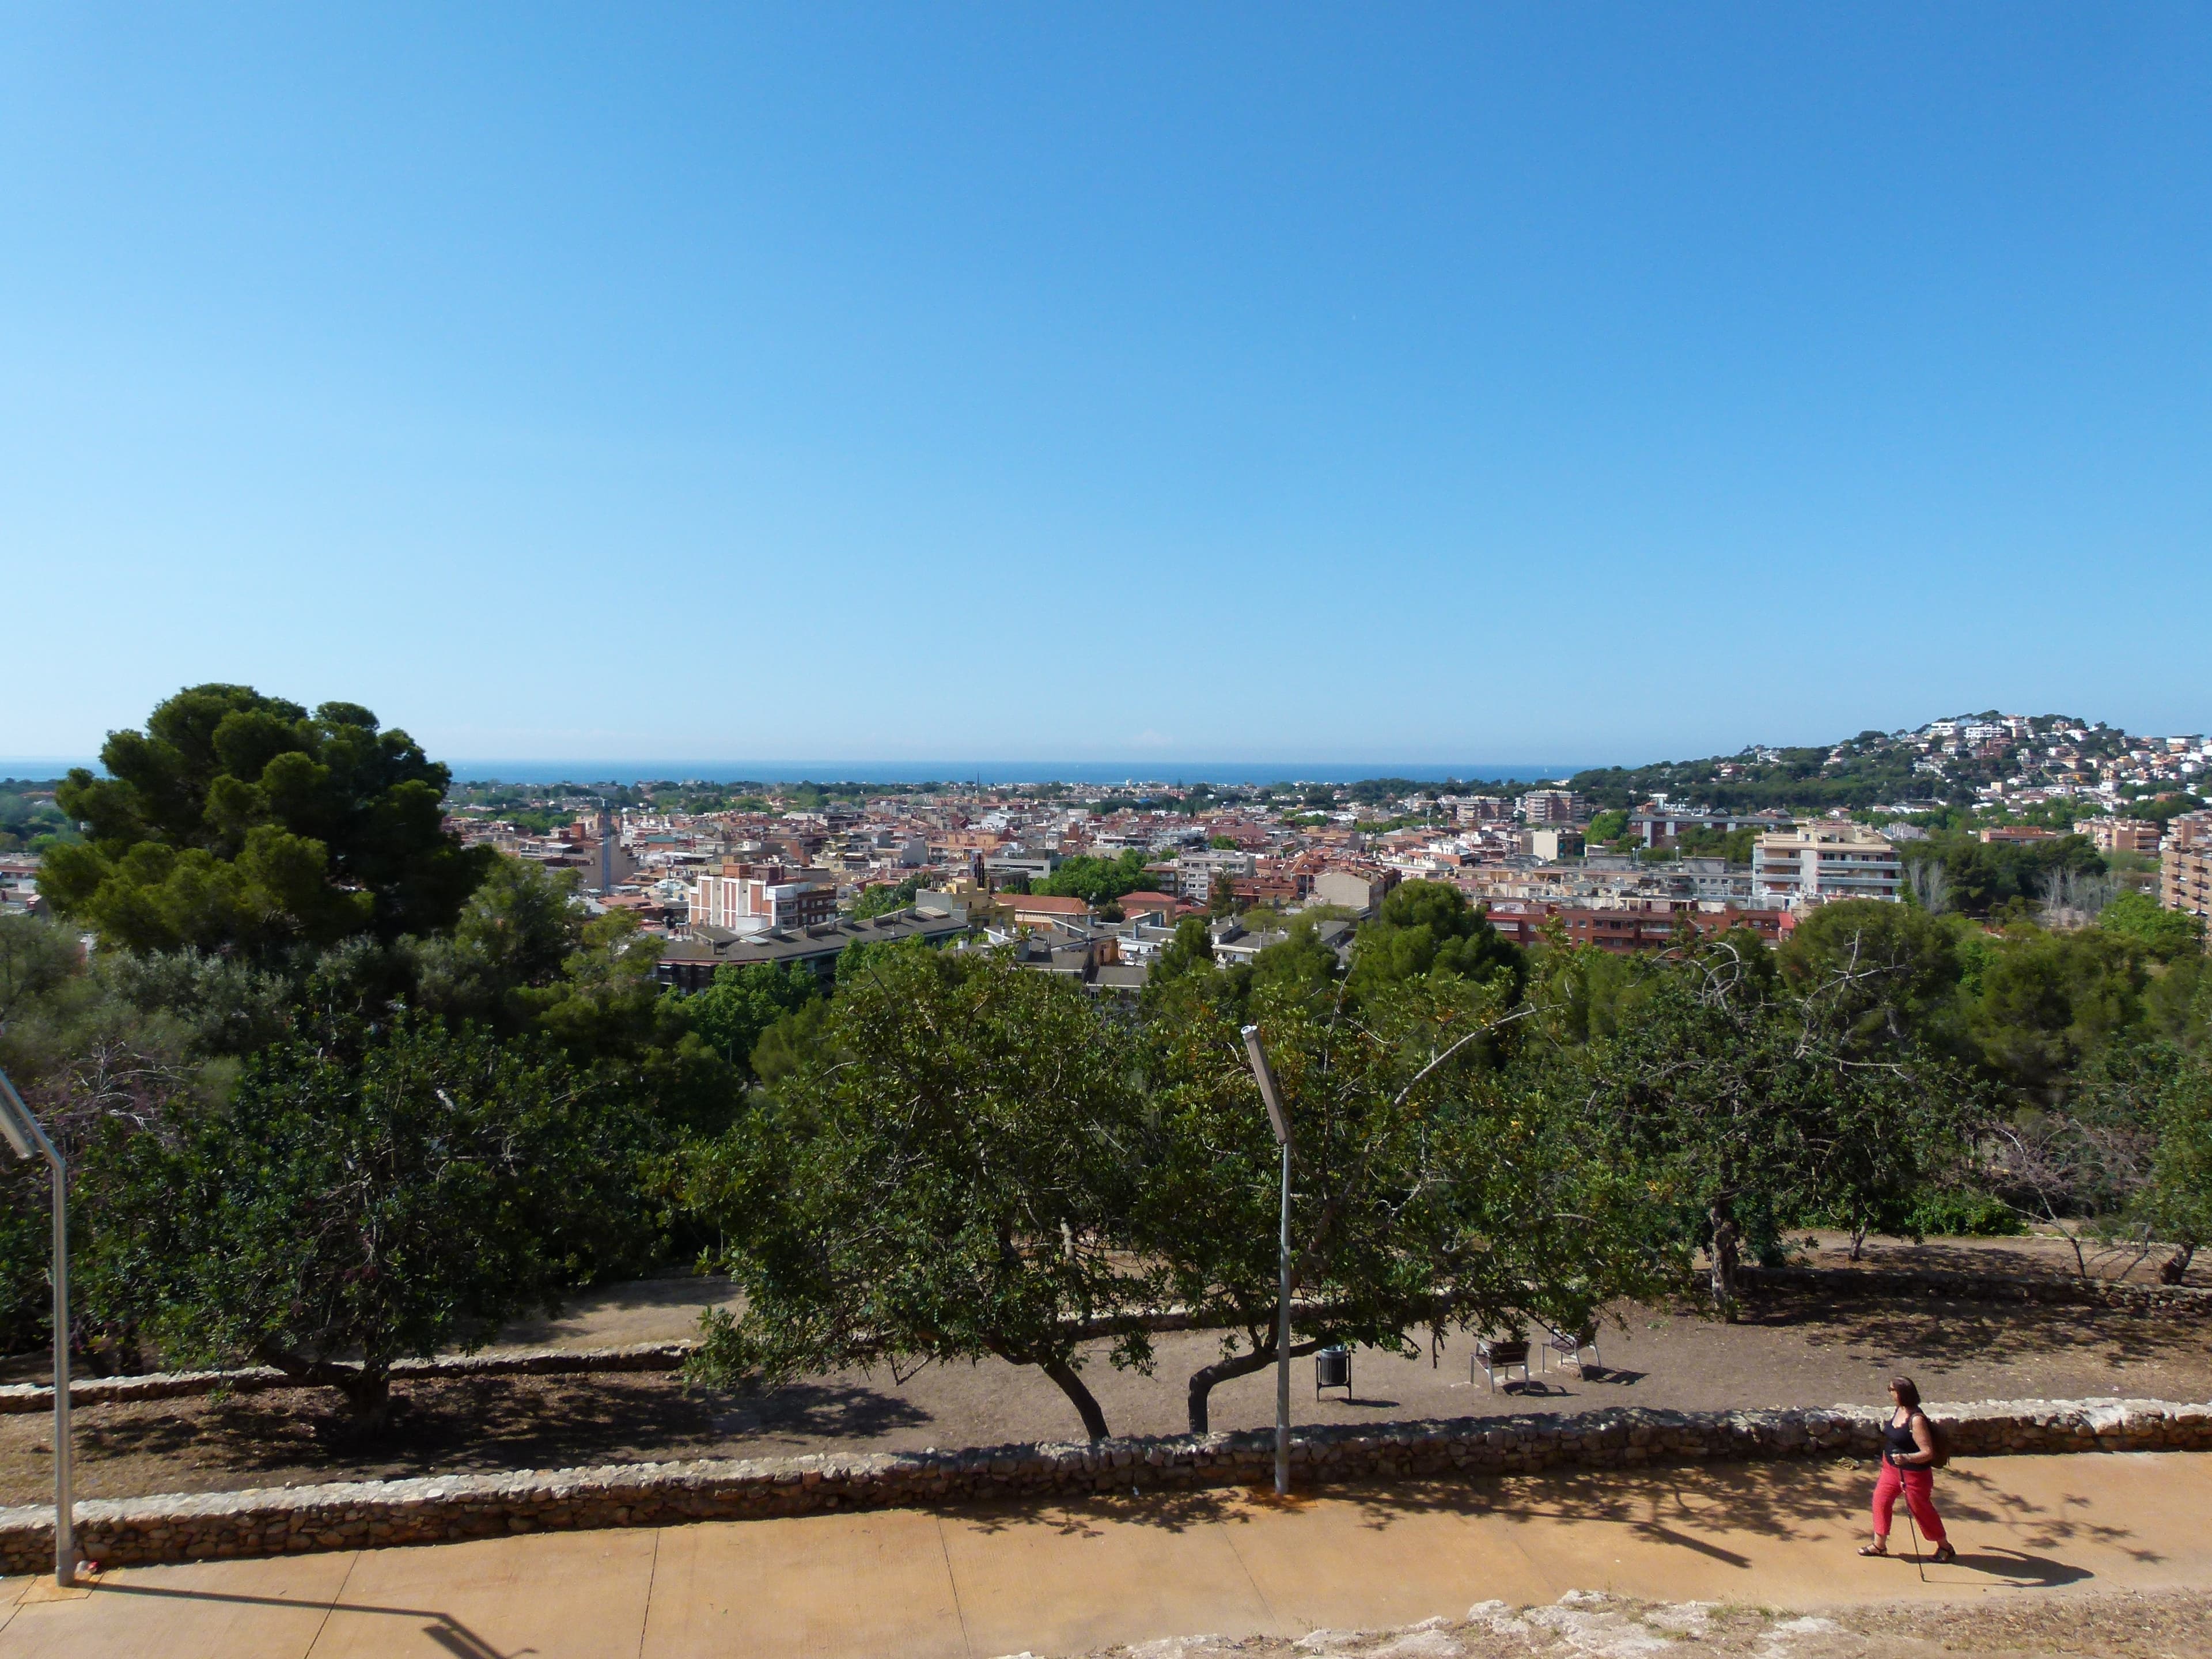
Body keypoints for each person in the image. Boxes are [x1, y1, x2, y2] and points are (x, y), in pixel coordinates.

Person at [1860, 1376, 1954, 1562]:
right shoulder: (1899, 1410)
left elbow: (1928, 1453)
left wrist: (1907, 1458)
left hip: (1913, 1475)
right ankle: (1879, 1545)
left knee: (1921, 1510)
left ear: (1901, 1393)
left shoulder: (1917, 1420)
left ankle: (1945, 1547)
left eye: (1892, 1390)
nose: (1890, 1393)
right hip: (1890, 1469)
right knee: (1881, 1500)